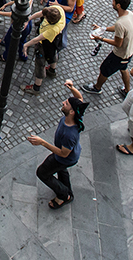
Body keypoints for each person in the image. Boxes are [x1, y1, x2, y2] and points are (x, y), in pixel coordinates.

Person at [28, 80, 88, 209]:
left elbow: (63, 153)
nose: (63, 103)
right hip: (70, 155)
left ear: (71, 112)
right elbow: (79, 98)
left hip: (64, 158)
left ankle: (64, 195)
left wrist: (42, 142)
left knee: (42, 173)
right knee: (61, 170)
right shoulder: (78, 114)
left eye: (66, 104)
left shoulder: (69, 134)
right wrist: (72, 88)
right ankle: (65, 187)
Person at [81, 0, 133, 97]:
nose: (112, 3)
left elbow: (118, 43)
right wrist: (103, 29)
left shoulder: (120, 23)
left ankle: (97, 87)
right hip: (129, 51)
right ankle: (127, 90)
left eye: (113, 1)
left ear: (118, 5)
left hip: (120, 55)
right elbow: (119, 29)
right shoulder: (129, 14)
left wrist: (100, 38)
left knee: (104, 69)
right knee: (124, 68)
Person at [21, 6, 67, 95]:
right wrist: (29, 19)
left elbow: (37, 39)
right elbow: (41, 13)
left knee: (40, 63)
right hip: (56, 40)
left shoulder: (53, 29)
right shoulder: (58, 10)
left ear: (51, 22)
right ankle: (52, 70)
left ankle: (36, 88)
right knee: (53, 54)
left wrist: (25, 45)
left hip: (46, 44)